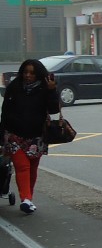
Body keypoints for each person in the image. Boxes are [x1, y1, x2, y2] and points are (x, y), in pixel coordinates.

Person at [1, 58, 60, 214]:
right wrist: (2, 133)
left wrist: (52, 90)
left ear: (38, 74)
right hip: (14, 135)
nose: (28, 75)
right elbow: (5, 111)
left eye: (32, 73)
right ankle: (25, 199)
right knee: (22, 167)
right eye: (26, 72)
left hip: (36, 136)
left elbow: (54, 110)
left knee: (32, 169)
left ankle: (28, 200)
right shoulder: (14, 86)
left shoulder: (45, 88)